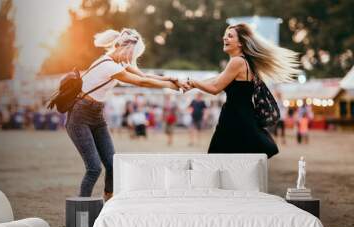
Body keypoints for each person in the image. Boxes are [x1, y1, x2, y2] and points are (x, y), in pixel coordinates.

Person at [65, 28, 179, 200]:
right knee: (94, 168)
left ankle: (108, 203)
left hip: (96, 115)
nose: (130, 59)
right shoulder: (109, 65)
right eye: (130, 54)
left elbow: (144, 74)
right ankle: (82, 211)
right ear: (119, 47)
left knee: (112, 165)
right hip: (79, 115)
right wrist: (171, 86)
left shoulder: (119, 63)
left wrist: (170, 79)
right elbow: (142, 81)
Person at [176, 23, 300, 158]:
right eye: (225, 36)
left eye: (230, 36)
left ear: (241, 43)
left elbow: (215, 88)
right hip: (242, 117)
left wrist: (193, 82)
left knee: (218, 160)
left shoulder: (237, 62)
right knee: (231, 163)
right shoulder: (244, 62)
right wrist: (191, 84)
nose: (225, 38)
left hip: (235, 119)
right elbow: (216, 79)